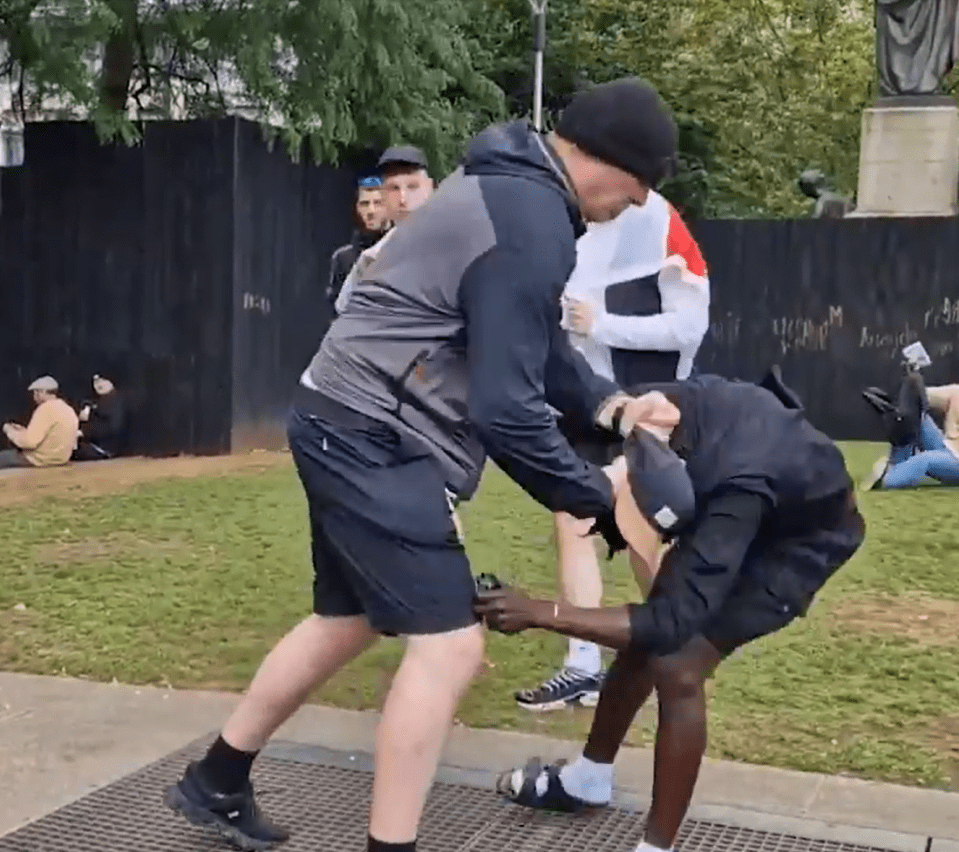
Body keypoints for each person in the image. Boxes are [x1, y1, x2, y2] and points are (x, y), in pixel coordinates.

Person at [163, 76, 682, 852]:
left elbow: (536, 346)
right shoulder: (529, 217)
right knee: (449, 647)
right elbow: (504, 412)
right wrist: (598, 500)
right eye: (642, 186)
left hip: (339, 416)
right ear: (610, 160)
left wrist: (613, 409)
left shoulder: (511, 192)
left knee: (347, 618)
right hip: (371, 433)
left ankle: (216, 781)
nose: (638, 204)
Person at [475, 371, 865, 852]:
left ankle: (656, 848)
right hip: (757, 485)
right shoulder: (660, 410)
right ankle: (588, 779)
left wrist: (541, 612)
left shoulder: (735, 492)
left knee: (678, 663)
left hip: (797, 545)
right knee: (655, 631)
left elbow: (666, 626)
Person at [516, 192, 711, 712]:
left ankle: (675, 646)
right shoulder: (570, 222)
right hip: (590, 405)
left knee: (645, 531)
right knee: (571, 518)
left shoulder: (660, 225)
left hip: (649, 402)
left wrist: (601, 324)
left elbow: (690, 325)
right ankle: (583, 664)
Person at [333, 145, 435, 315]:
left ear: (430, 188)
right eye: (394, 188)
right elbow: (344, 315)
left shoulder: (457, 249)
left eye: (413, 187)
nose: (403, 199)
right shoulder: (369, 260)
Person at [861, 369, 959, 489]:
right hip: (947, 446)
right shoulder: (956, 392)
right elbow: (919, 396)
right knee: (914, 415)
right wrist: (902, 404)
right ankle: (896, 463)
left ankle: (889, 479)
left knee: (925, 459)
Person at [326, 177, 389, 313]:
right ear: (357, 208)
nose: (371, 210)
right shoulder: (343, 258)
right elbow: (335, 311)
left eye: (378, 203)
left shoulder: (402, 250)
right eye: (365, 204)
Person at [0, 375, 79, 469]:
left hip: (40, 460)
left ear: (41, 392)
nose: (34, 397)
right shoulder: (68, 409)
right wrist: (23, 431)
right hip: (61, 459)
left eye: (35, 393)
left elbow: (30, 442)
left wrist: (10, 431)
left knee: (3, 457)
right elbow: (50, 435)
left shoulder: (45, 409)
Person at [74, 374, 128, 461]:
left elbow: (113, 428)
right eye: (96, 381)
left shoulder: (115, 402)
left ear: (111, 382)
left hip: (105, 448)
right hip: (94, 445)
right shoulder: (95, 401)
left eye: (103, 380)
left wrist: (83, 432)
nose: (99, 384)